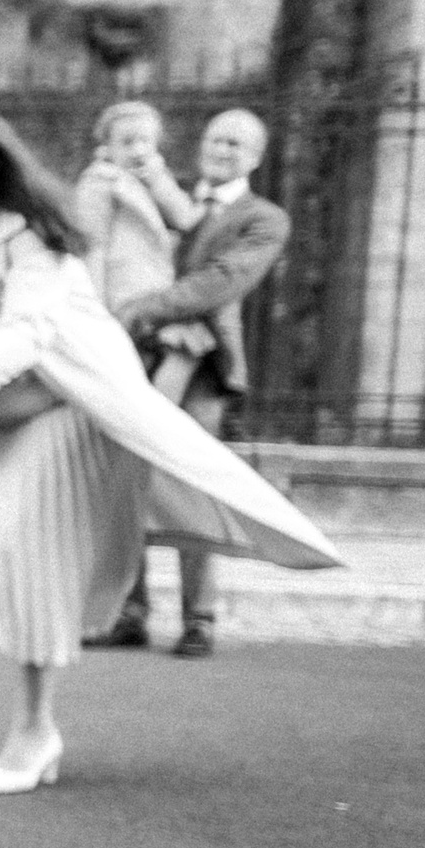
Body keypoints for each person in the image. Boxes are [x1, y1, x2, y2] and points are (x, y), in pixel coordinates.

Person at [0, 104, 339, 795]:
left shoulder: (34, 240)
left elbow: (26, 337)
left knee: (17, 548)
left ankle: (36, 730)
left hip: (61, 406)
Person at [93, 107, 293, 657]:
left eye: (235, 144)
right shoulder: (166, 196)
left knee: (192, 481)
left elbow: (221, 281)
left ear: (255, 158)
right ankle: (129, 613)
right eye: (214, 139)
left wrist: (139, 309)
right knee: (127, 476)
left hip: (202, 367)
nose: (221, 151)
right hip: (135, 356)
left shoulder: (264, 218)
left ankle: (198, 619)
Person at [69, 99, 211, 401]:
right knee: (168, 355)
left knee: (180, 354)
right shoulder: (99, 182)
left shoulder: (153, 181)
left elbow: (186, 218)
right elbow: (92, 248)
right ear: (106, 147)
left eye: (146, 141)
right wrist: (96, 310)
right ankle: (150, 421)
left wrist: (158, 178)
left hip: (154, 291)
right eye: (127, 142)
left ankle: (154, 420)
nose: (138, 150)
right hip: (120, 294)